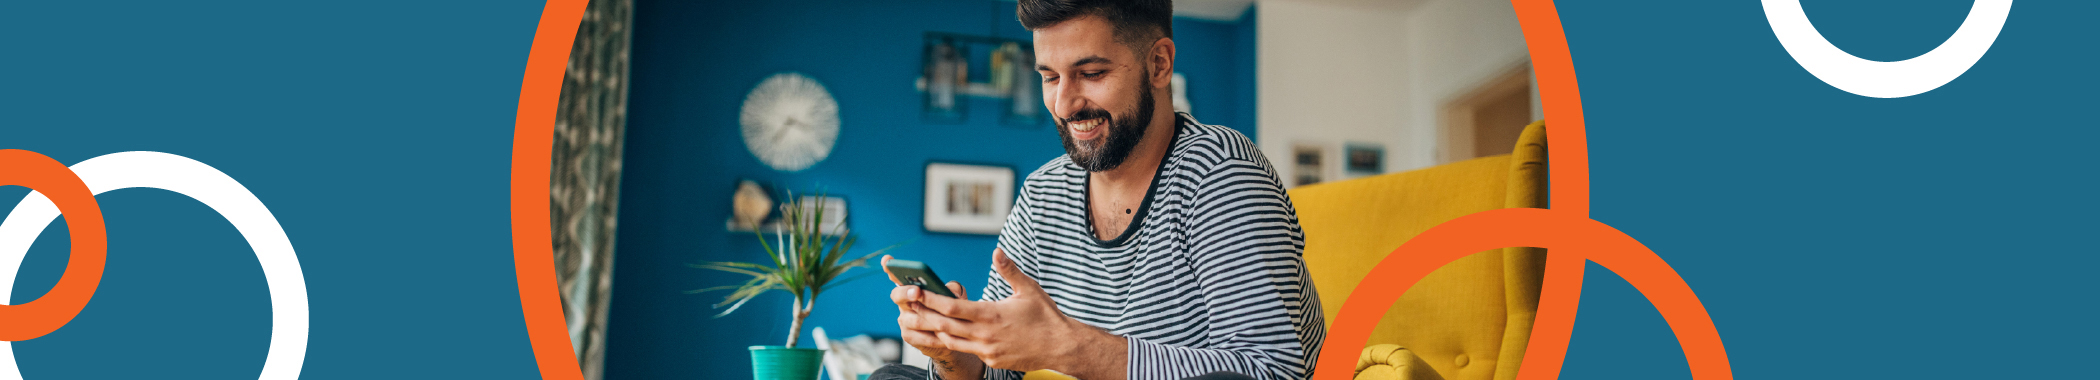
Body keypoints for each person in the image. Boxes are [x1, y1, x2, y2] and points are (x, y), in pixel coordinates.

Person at [876, 0, 1324, 379]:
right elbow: (1001, 371)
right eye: (1050, 77)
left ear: (1159, 64)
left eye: (1090, 73)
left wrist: (1071, 348)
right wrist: (956, 351)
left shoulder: (1220, 172)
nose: (1064, 104)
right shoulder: (1043, 193)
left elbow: (1273, 369)